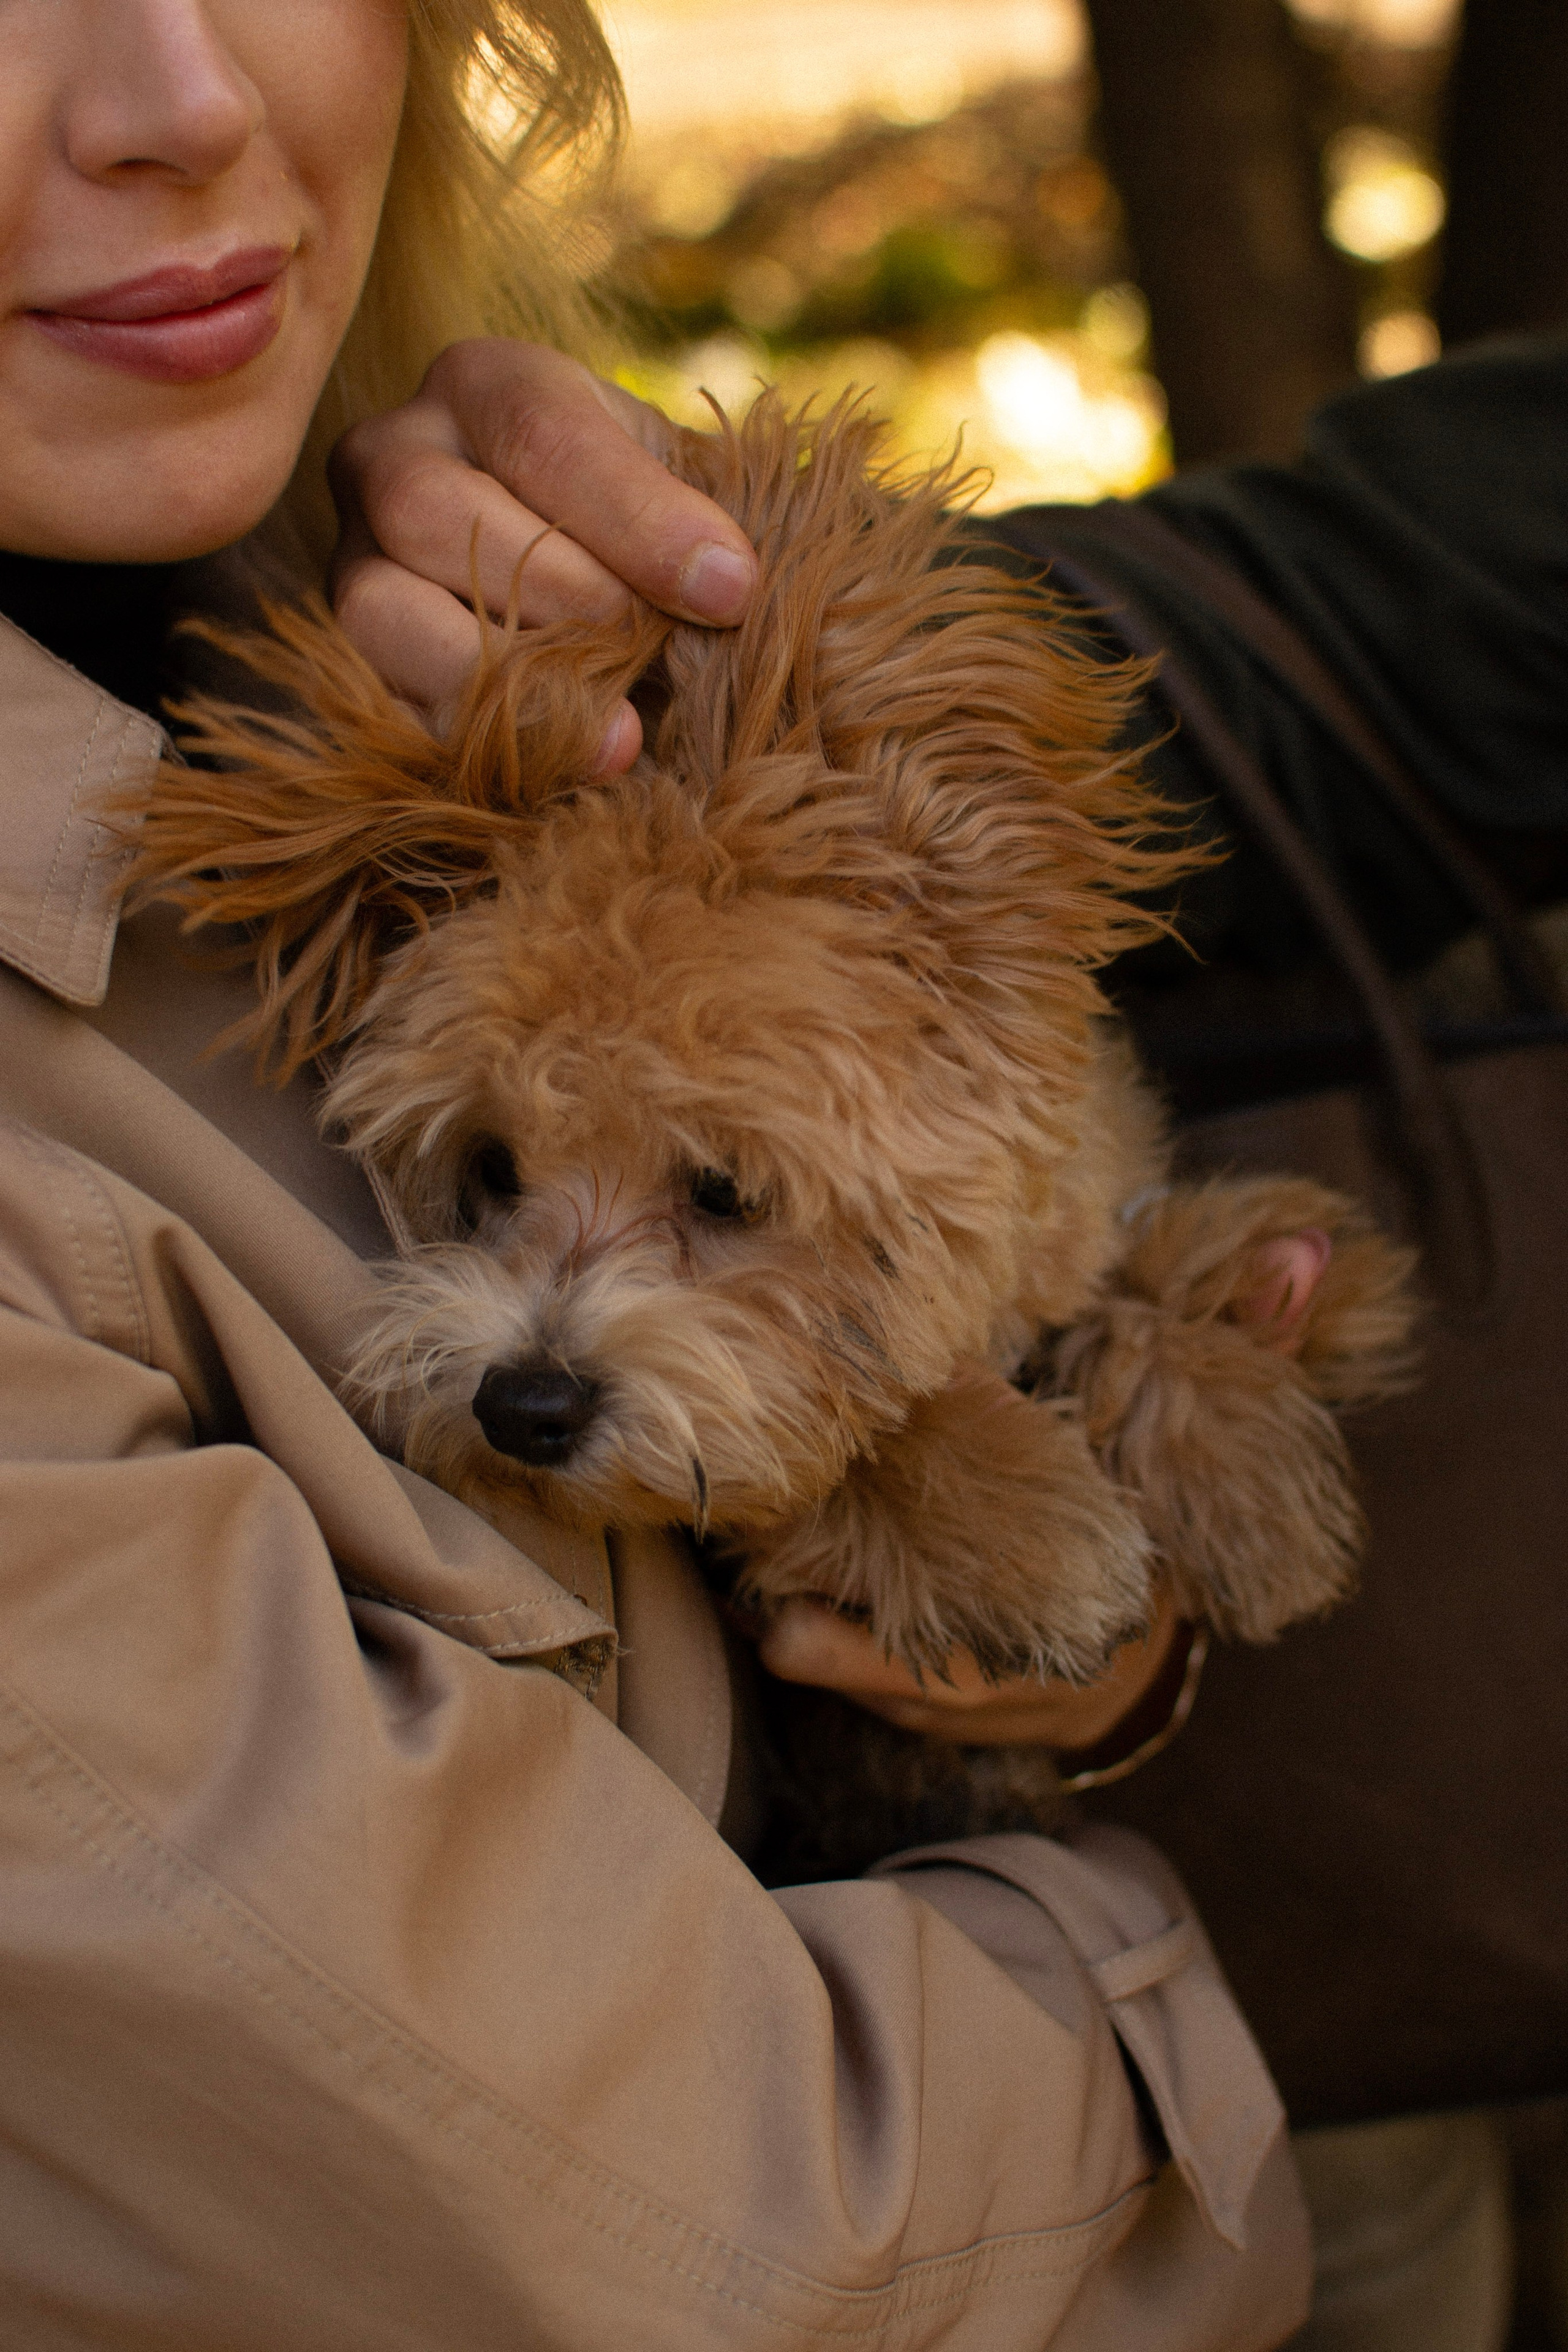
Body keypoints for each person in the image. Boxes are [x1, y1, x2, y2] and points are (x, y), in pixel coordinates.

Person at [0, 5, 1312, 2347]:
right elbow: (736, 2256)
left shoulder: (381, 646)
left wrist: (1025, 1608)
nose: (182, 97)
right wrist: (1170, 1976)